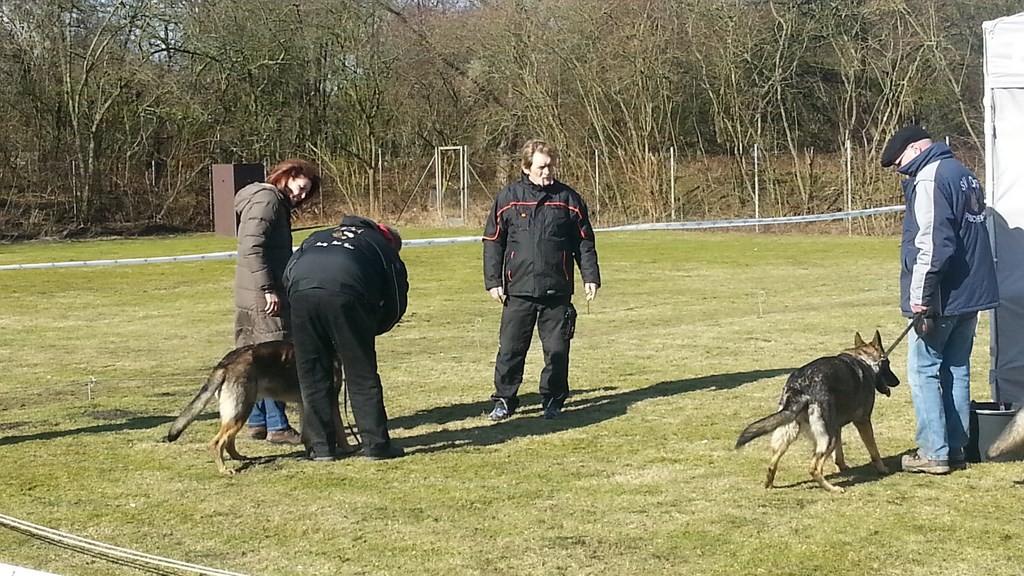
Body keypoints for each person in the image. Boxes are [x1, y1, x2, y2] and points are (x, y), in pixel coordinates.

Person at [880, 124, 999, 474]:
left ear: (916, 150)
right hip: (970, 294)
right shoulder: (963, 173)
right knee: (957, 369)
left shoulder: (930, 178)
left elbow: (933, 244)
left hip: (941, 298)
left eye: (901, 163)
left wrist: (920, 298)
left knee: (923, 371)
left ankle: (933, 452)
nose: (901, 170)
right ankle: (957, 449)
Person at [482, 139, 601, 421]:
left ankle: (553, 400)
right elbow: (493, 241)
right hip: (518, 290)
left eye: (550, 166)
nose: (547, 171)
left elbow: (584, 242)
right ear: (526, 167)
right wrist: (493, 280)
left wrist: (590, 276)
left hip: (557, 291)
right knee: (510, 351)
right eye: (541, 167)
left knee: (557, 351)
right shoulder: (508, 197)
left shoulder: (568, 199)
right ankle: (504, 400)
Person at [283, 215, 409, 461]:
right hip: (347, 296)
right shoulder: (382, 245)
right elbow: (396, 297)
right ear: (391, 242)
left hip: (301, 294)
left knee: (312, 374)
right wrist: (374, 328)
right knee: (361, 375)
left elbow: (288, 274)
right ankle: (376, 445)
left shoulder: (317, 236)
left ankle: (321, 448)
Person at [234, 158, 320, 446]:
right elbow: (252, 247)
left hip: (251, 293)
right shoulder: (269, 200)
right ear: (287, 176)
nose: (301, 195)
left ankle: (258, 421)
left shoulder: (266, 200)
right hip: (263, 295)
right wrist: (268, 288)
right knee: (275, 356)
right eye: (300, 187)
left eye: (306, 192)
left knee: (254, 356)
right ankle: (278, 426)